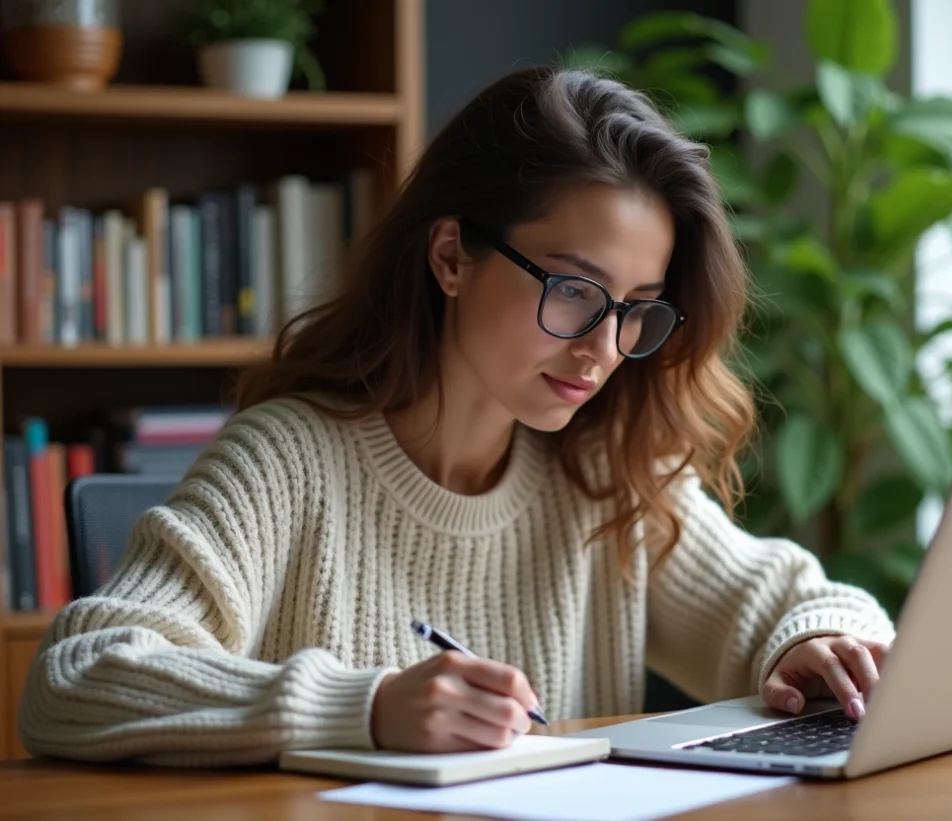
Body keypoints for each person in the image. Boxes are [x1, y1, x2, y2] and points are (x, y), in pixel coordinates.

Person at [18, 67, 894, 766]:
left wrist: (820, 641)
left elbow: (795, 600)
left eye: (636, 308)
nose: (602, 349)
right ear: (451, 257)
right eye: (574, 289)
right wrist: (365, 707)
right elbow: (76, 676)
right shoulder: (288, 460)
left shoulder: (605, 469)